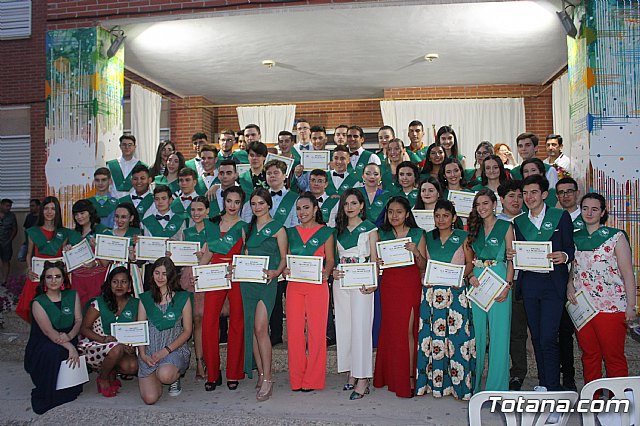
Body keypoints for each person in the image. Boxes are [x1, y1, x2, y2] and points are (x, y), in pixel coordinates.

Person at [511, 174, 574, 391]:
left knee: (548, 337)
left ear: (545, 194)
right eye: (525, 193)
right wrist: (512, 255)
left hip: (553, 285)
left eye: (534, 192)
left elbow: (570, 247)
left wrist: (564, 256)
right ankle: (544, 384)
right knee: (537, 337)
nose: (529, 197)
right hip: (530, 284)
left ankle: (554, 388)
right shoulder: (519, 222)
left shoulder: (560, 216)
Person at [568, 193, 636, 386]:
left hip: (611, 306)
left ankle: (620, 399)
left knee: (613, 356)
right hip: (584, 307)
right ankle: (593, 398)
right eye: (585, 208)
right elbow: (574, 269)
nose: (589, 213)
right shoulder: (575, 238)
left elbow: (627, 273)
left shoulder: (616, 237)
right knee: (589, 355)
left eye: (594, 209)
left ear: (603, 212)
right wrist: (569, 286)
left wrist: (631, 305)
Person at [416, 200, 475, 399]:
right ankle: (435, 385)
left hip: (455, 293)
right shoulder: (428, 237)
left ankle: (460, 386)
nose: (441, 219)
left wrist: (458, 277)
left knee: (457, 338)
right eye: (437, 216)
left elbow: (470, 263)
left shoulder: (463, 237)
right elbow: (423, 264)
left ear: (454, 217)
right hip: (432, 294)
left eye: (445, 216)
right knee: (434, 339)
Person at [373, 196, 427, 398]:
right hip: (389, 284)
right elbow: (376, 263)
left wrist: (416, 253)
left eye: (399, 212)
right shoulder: (382, 233)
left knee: (407, 330)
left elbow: (423, 265)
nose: (394, 216)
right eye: (390, 212)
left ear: (407, 214)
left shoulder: (418, 233)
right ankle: (390, 375)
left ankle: (409, 377)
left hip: (410, 284)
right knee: (392, 331)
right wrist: (378, 262)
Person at [239, 188, 287, 401]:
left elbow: (284, 258)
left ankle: (268, 377)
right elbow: (244, 255)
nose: (257, 207)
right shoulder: (247, 228)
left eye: (261, 203)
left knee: (260, 328)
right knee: (252, 328)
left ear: (269, 204)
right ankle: (260, 373)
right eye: (253, 204)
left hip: (267, 282)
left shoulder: (278, 228)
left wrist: (276, 272)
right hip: (248, 283)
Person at [284, 193, 335, 391]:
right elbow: (287, 258)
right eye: (299, 208)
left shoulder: (326, 232)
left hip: (317, 285)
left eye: (306, 208)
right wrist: (285, 270)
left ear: (315, 209)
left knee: (316, 333)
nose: (302, 212)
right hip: (295, 286)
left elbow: (330, 259)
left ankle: (313, 379)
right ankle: (296, 379)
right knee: (294, 332)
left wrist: (326, 272)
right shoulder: (290, 232)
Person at [331, 188, 378, 399]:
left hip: (362, 283)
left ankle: (363, 377)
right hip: (341, 282)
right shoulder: (337, 230)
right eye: (346, 204)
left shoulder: (370, 228)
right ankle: (352, 371)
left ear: (361, 205)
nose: (349, 207)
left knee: (361, 328)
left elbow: (374, 259)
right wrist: (333, 272)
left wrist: (374, 283)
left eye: (354, 203)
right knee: (345, 327)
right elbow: (333, 259)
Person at [466, 189, 514, 392]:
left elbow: (512, 259)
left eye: (485, 203)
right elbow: (468, 259)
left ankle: (497, 388)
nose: (481, 208)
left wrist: (508, 285)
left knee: (499, 335)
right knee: (476, 334)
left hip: (499, 279)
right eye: (478, 205)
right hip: (478, 281)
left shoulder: (506, 226)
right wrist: (470, 276)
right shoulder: (473, 228)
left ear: (494, 204)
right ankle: (474, 387)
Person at [200, 188, 247, 391]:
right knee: (209, 322)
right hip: (214, 274)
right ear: (224, 202)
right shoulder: (213, 224)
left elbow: (246, 254)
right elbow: (209, 253)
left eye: (237, 202)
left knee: (237, 322)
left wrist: (238, 268)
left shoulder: (244, 227)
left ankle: (233, 372)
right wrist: (199, 272)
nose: (232, 206)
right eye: (229, 201)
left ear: (241, 204)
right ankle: (212, 373)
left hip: (235, 275)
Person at [24, 260, 83, 414]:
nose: (53, 280)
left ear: (63, 279)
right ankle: (50, 391)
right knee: (54, 352)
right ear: (44, 280)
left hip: (68, 336)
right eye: (49, 277)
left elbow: (78, 320)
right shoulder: (38, 302)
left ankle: (69, 386)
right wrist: (70, 347)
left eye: (57, 276)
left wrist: (70, 336)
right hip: (44, 343)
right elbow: (48, 331)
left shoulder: (72, 295)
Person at [138, 257, 193, 403]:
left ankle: (173, 377)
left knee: (166, 375)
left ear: (171, 275)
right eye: (157, 273)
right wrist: (143, 354)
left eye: (164, 274)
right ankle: (156, 375)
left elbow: (187, 331)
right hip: (150, 352)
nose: (160, 277)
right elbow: (140, 329)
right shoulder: (145, 299)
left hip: (173, 350)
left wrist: (165, 351)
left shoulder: (183, 298)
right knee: (150, 399)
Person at [78, 266, 139, 397]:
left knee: (132, 366)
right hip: (98, 344)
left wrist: (133, 346)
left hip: (122, 347)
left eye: (124, 282)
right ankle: (103, 377)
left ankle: (112, 371)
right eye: (115, 281)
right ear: (109, 283)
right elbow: (84, 328)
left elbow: (138, 330)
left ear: (129, 285)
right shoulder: (98, 303)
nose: (119, 285)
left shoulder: (136, 304)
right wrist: (103, 339)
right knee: (116, 349)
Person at [17, 196, 70, 322]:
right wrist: (29, 269)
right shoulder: (33, 231)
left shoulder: (63, 232)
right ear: (42, 210)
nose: (49, 212)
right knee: (35, 312)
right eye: (46, 208)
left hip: (56, 277)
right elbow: (29, 254)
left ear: (57, 211)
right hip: (38, 275)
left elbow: (64, 255)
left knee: (57, 311)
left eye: (53, 209)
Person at [178, 196, 213, 384]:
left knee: (208, 321)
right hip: (189, 280)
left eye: (200, 209)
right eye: (193, 210)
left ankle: (210, 360)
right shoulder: (187, 231)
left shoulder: (213, 230)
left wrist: (205, 257)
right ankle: (199, 361)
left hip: (208, 278)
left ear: (207, 211)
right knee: (195, 320)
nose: (196, 213)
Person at [496, 180, 527, 391]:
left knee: (519, 331)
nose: (516, 200)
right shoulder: (495, 222)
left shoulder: (530, 220)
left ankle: (519, 372)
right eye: (511, 196)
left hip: (526, 280)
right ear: (501, 199)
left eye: (519, 196)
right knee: (504, 331)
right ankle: (503, 373)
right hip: (502, 281)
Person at [67, 199, 109, 307]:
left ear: (90, 213)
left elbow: (107, 262)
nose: (79, 217)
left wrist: (96, 256)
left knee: (96, 309)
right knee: (79, 309)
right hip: (78, 280)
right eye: (76, 214)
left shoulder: (102, 231)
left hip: (97, 279)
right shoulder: (73, 234)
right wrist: (67, 250)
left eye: (82, 213)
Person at [108, 134, 145, 199]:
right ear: (120, 146)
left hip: (134, 202)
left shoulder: (142, 166)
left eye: (130, 145)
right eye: (124, 145)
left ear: (135, 147)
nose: (127, 147)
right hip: (114, 202)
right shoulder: (111, 165)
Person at [0, 198, 17, 286]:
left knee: (5, 260)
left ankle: (4, 280)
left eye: (10, 206)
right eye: (7, 206)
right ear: (1, 205)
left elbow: (14, 229)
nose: (9, 208)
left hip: (6, 242)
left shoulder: (11, 216)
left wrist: (10, 239)